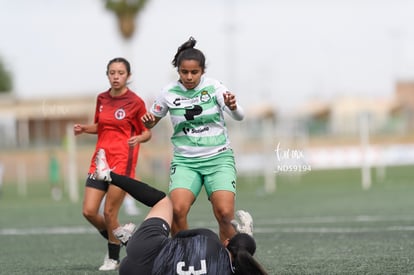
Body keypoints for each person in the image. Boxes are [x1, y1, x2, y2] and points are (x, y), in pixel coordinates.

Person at [94, 148, 268, 275]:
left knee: (163, 201)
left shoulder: (210, 239)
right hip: (130, 272)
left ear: (226, 242)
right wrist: (247, 239)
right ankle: (130, 240)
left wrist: (247, 237)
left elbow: (178, 236)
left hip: (146, 249)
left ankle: (109, 175)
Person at [141, 36, 245, 244]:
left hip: (218, 159)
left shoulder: (215, 87)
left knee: (224, 213)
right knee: (178, 210)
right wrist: (149, 121)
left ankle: (229, 261)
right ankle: (185, 257)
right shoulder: (168, 92)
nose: (189, 77)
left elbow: (239, 116)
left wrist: (233, 106)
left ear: (203, 71)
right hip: (186, 162)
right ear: (178, 71)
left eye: (194, 72)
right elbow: (152, 121)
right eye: (184, 72)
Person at [73, 57, 151, 271]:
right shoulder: (101, 98)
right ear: (107, 74)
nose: (116, 77)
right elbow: (101, 127)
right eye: (112, 73)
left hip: (122, 162)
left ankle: (113, 257)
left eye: (120, 73)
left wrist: (139, 139)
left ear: (128, 76)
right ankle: (120, 235)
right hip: (100, 161)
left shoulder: (135, 102)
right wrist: (84, 129)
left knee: (109, 213)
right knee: (89, 211)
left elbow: (147, 132)